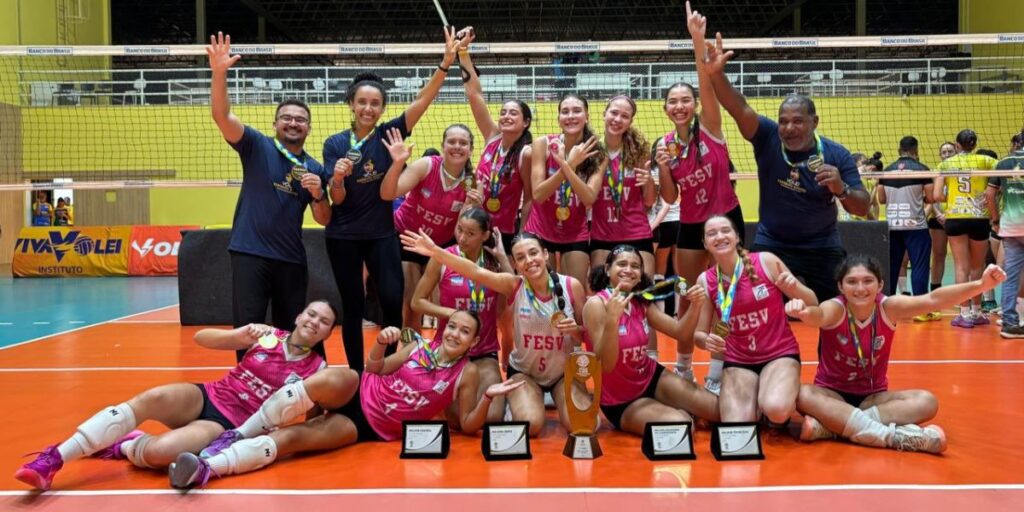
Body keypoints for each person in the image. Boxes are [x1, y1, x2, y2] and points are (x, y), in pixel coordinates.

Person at [167, 311, 523, 488]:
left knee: (290, 440)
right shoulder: (419, 347)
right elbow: (375, 367)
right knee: (336, 376)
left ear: (473, 343)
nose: (455, 334)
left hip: (367, 425)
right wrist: (382, 343)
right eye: (453, 326)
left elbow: (470, 425)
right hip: (359, 388)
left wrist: (488, 399)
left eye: (465, 332)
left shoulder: (467, 373)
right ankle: (238, 433)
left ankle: (207, 468)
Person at [14, 301, 334, 490]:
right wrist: (238, 335)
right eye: (311, 314)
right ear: (298, 316)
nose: (314, 322)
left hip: (227, 424)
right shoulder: (267, 337)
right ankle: (52, 459)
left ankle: (125, 445)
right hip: (209, 394)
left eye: (323, 322)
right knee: (151, 398)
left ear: (327, 334)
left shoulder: (319, 369)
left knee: (157, 453)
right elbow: (201, 338)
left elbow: (315, 419)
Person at [322, 28, 461, 371]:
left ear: (383, 108)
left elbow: (422, 102)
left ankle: (388, 366)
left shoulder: (391, 134)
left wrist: (444, 65)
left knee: (391, 302)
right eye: (362, 102)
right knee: (353, 306)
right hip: (343, 236)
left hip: (382, 235)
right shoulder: (334, 144)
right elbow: (335, 200)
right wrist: (337, 177)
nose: (368, 108)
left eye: (375, 103)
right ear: (352, 105)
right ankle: (356, 372)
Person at [702, 31, 869, 303]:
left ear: (814, 122)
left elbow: (863, 207)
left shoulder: (836, 154)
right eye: (783, 121)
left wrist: (841, 188)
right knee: (755, 304)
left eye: (797, 121)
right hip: (772, 244)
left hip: (821, 245)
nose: (789, 128)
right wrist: (716, 74)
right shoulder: (767, 136)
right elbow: (738, 106)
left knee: (835, 312)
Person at [789, 255, 1006, 453]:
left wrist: (981, 285)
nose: (860, 288)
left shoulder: (888, 307)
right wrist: (804, 313)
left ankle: (833, 427)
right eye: (852, 281)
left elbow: (934, 300)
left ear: (880, 285)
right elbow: (818, 316)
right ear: (841, 286)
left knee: (927, 401)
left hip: (873, 399)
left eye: (868, 281)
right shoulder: (835, 308)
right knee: (801, 394)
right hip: (831, 395)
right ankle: (893, 437)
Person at [206, 32, 332, 361]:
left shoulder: (315, 167)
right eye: (287, 118)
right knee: (248, 330)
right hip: (250, 253)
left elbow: (325, 218)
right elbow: (222, 116)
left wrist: (319, 194)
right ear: (275, 123)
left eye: (300, 120)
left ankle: (290, 385)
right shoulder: (256, 146)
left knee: (293, 332)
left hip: (291, 259)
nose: (293, 123)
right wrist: (219, 73)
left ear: (308, 128)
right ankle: (246, 387)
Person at [401, 230, 587, 437]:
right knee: (531, 425)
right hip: (526, 373)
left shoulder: (572, 286)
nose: (529, 261)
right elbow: (475, 272)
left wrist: (576, 330)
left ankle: (550, 400)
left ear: (545, 254)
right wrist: (436, 251)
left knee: (583, 425)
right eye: (520, 257)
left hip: (562, 374)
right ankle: (517, 403)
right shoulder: (514, 285)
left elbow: (586, 336)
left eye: (533, 253)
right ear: (515, 265)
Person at [656, 3, 744, 388]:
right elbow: (671, 196)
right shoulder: (665, 145)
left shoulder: (709, 126)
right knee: (691, 296)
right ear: (665, 109)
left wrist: (697, 39)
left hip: (726, 217)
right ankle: (684, 364)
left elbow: (706, 82)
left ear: (693, 106)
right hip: (690, 224)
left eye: (684, 100)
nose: (679, 106)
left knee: (730, 292)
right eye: (672, 102)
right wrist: (661, 165)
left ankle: (721, 369)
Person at [582, 245, 719, 435]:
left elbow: (680, 332)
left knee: (719, 410)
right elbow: (605, 365)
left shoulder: (639, 301)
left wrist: (696, 306)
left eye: (635, 266)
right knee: (681, 426)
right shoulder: (596, 305)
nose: (628, 270)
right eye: (622, 264)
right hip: (621, 401)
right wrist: (612, 321)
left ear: (640, 273)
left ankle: (676, 407)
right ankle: (678, 411)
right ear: (607, 269)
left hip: (651, 378)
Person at [693, 215, 817, 422]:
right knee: (736, 424)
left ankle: (774, 396)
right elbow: (698, 334)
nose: (719, 236)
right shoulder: (705, 280)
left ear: (737, 236)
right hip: (738, 361)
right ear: (705, 244)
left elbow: (813, 302)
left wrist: (795, 289)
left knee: (776, 410)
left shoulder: (765, 261)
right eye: (711, 233)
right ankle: (758, 398)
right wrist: (705, 341)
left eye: (725, 230)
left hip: (779, 354)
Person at [411, 208, 511, 422]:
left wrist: (503, 257)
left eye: (471, 233)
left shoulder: (494, 263)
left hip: (484, 351)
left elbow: (513, 291)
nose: (462, 238)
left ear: (485, 235)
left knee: (491, 418)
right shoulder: (442, 258)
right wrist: (451, 313)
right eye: (460, 230)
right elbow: (416, 302)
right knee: (457, 419)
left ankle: (503, 405)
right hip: (449, 349)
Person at [380, 125, 479, 329]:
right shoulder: (426, 166)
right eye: (452, 141)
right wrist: (398, 164)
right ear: (443, 145)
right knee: (411, 301)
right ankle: (409, 351)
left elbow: (458, 234)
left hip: (440, 246)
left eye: (463, 143)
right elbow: (389, 193)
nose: (457, 146)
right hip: (407, 238)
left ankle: (443, 352)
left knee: (443, 301)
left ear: (471, 149)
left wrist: (471, 207)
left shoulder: (472, 182)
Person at [457, 31, 534, 252]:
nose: (506, 116)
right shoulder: (493, 137)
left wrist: (523, 236)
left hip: (504, 232)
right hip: (473, 226)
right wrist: (463, 53)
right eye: (503, 112)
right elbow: (475, 95)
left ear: (526, 122)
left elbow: (529, 198)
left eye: (513, 113)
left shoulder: (525, 153)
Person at [523, 93, 602, 289]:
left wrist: (567, 165)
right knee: (541, 292)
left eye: (577, 111)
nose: (571, 116)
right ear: (558, 118)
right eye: (565, 112)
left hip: (575, 233)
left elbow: (589, 198)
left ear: (587, 116)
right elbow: (539, 195)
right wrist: (569, 164)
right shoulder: (543, 144)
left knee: (575, 293)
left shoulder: (596, 150)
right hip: (540, 230)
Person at [933, 129, 998, 328]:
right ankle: (977, 312)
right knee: (977, 267)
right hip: (979, 218)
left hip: (956, 217)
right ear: (975, 144)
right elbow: (997, 186)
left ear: (957, 145)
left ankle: (964, 313)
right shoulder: (987, 161)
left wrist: (953, 197)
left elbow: (936, 196)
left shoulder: (945, 164)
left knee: (961, 266)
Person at [588, 95, 656, 274]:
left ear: (630, 121)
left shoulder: (639, 152)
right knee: (601, 292)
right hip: (602, 234)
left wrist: (649, 181)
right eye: (614, 113)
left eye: (624, 116)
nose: (617, 119)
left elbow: (649, 201)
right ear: (604, 114)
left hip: (636, 232)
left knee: (643, 294)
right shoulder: (590, 150)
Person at [876, 136, 933, 296]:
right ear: (916, 150)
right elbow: (931, 198)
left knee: (891, 266)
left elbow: (881, 199)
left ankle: (887, 304)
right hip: (915, 226)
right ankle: (920, 308)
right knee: (919, 266)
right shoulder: (922, 169)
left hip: (893, 226)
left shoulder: (886, 171)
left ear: (899, 150)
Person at [986, 131, 1024, 337]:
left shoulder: (1004, 162)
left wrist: (996, 220)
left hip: (1010, 227)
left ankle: (1010, 322)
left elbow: (989, 194)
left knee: (1010, 275)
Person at [917, 141, 959, 322]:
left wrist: (949, 214)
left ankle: (960, 296)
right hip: (938, 217)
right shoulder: (936, 172)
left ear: (956, 152)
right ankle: (935, 291)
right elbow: (930, 198)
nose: (947, 154)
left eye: (950, 151)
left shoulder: (960, 170)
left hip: (957, 217)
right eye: (944, 151)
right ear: (940, 155)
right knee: (939, 255)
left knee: (959, 257)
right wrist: (940, 213)